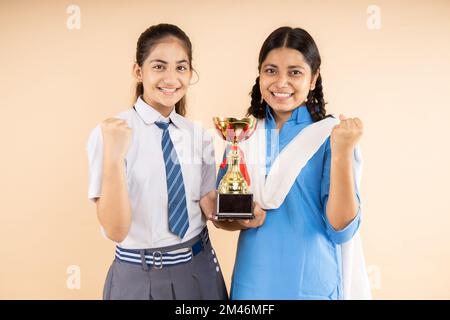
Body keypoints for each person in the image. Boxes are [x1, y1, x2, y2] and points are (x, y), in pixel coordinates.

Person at [213, 26, 370, 300]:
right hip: (253, 285)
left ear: (313, 78)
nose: (281, 82)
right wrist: (242, 220)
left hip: (311, 286)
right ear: (260, 74)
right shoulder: (244, 134)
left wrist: (343, 152)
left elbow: (341, 229)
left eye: (295, 72)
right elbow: (223, 217)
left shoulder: (330, 135)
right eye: (271, 70)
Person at [86, 23, 227, 300]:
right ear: (138, 71)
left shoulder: (199, 136)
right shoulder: (111, 133)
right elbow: (115, 230)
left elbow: (208, 204)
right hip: (138, 278)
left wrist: (241, 213)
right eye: (159, 66)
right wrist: (114, 158)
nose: (171, 78)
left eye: (181, 67)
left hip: (200, 272)